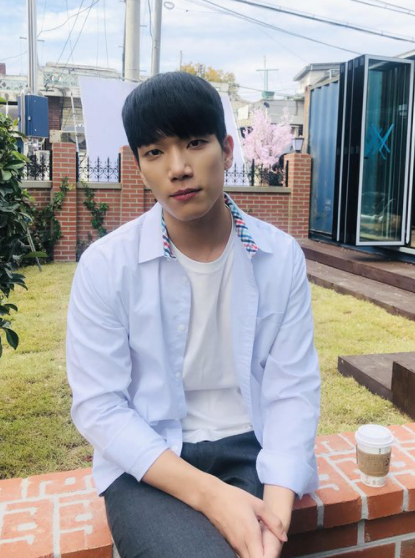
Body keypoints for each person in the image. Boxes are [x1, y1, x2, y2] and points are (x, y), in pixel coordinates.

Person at [66, 71, 320, 558]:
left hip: (252, 445)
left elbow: (293, 388)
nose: (178, 168)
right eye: (154, 152)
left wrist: (278, 511)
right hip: (150, 456)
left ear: (227, 150)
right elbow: (99, 406)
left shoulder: (280, 256)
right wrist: (212, 496)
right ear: (139, 166)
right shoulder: (106, 266)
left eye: (195, 143)